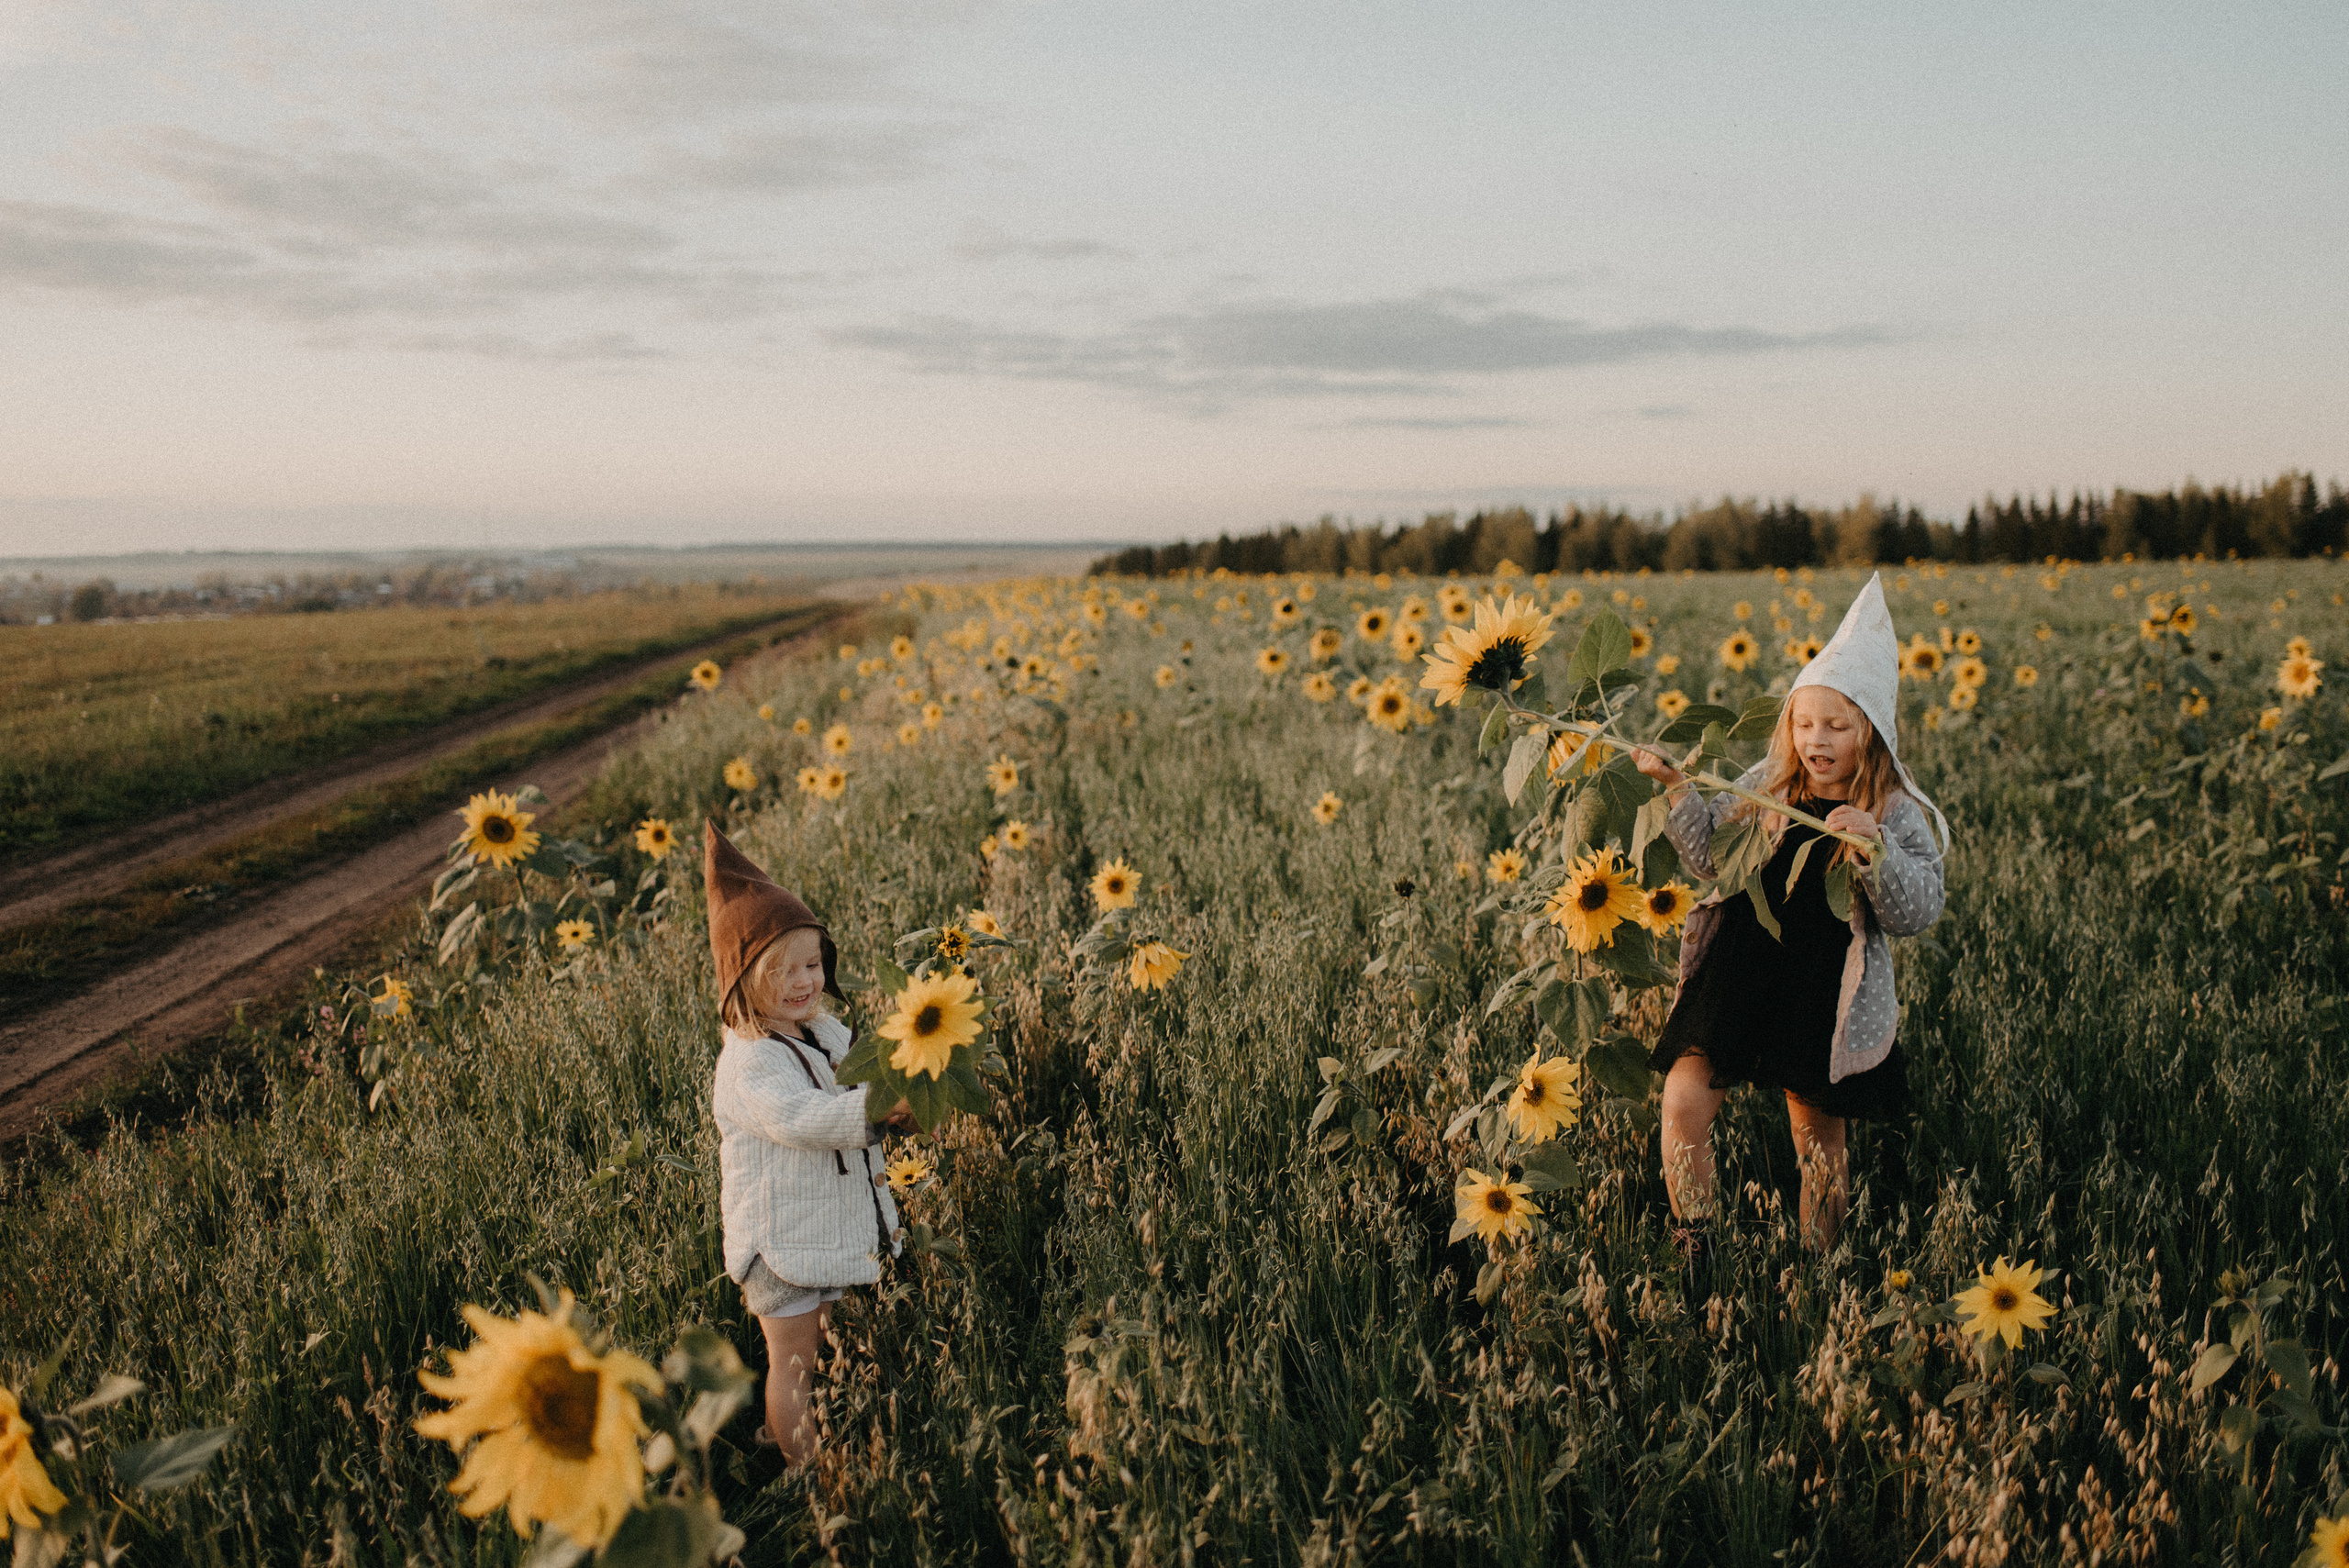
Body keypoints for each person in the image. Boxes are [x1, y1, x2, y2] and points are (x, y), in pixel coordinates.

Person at [1633, 573, 1947, 1292]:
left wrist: (1875, 851)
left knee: (1819, 1142)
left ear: (1869, 726)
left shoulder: (1893, 809)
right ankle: (1697, 1251)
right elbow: (1713, 852)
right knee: (1683, 1099)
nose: (1816, 740)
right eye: (1805, 723)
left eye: (1836, 724)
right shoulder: (1768, 782)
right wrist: (1678, 788)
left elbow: (1919, 907)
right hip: (1742, 963)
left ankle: (1819, 1271)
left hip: (1821, 982)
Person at [705, 822, 909, 1466]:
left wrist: (904, 1089)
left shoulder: (821, 1028)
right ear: (743, 980)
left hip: (816, 1227)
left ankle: (820, 1437)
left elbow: (859, 1077)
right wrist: (878, 1111)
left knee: (824, 1346)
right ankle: (806, 1472)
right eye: (782, 970)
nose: (803, 982)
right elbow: (804, 1117)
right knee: (792, 1359)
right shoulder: (749, 1061)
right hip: (778, 1241)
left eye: (813, 964)